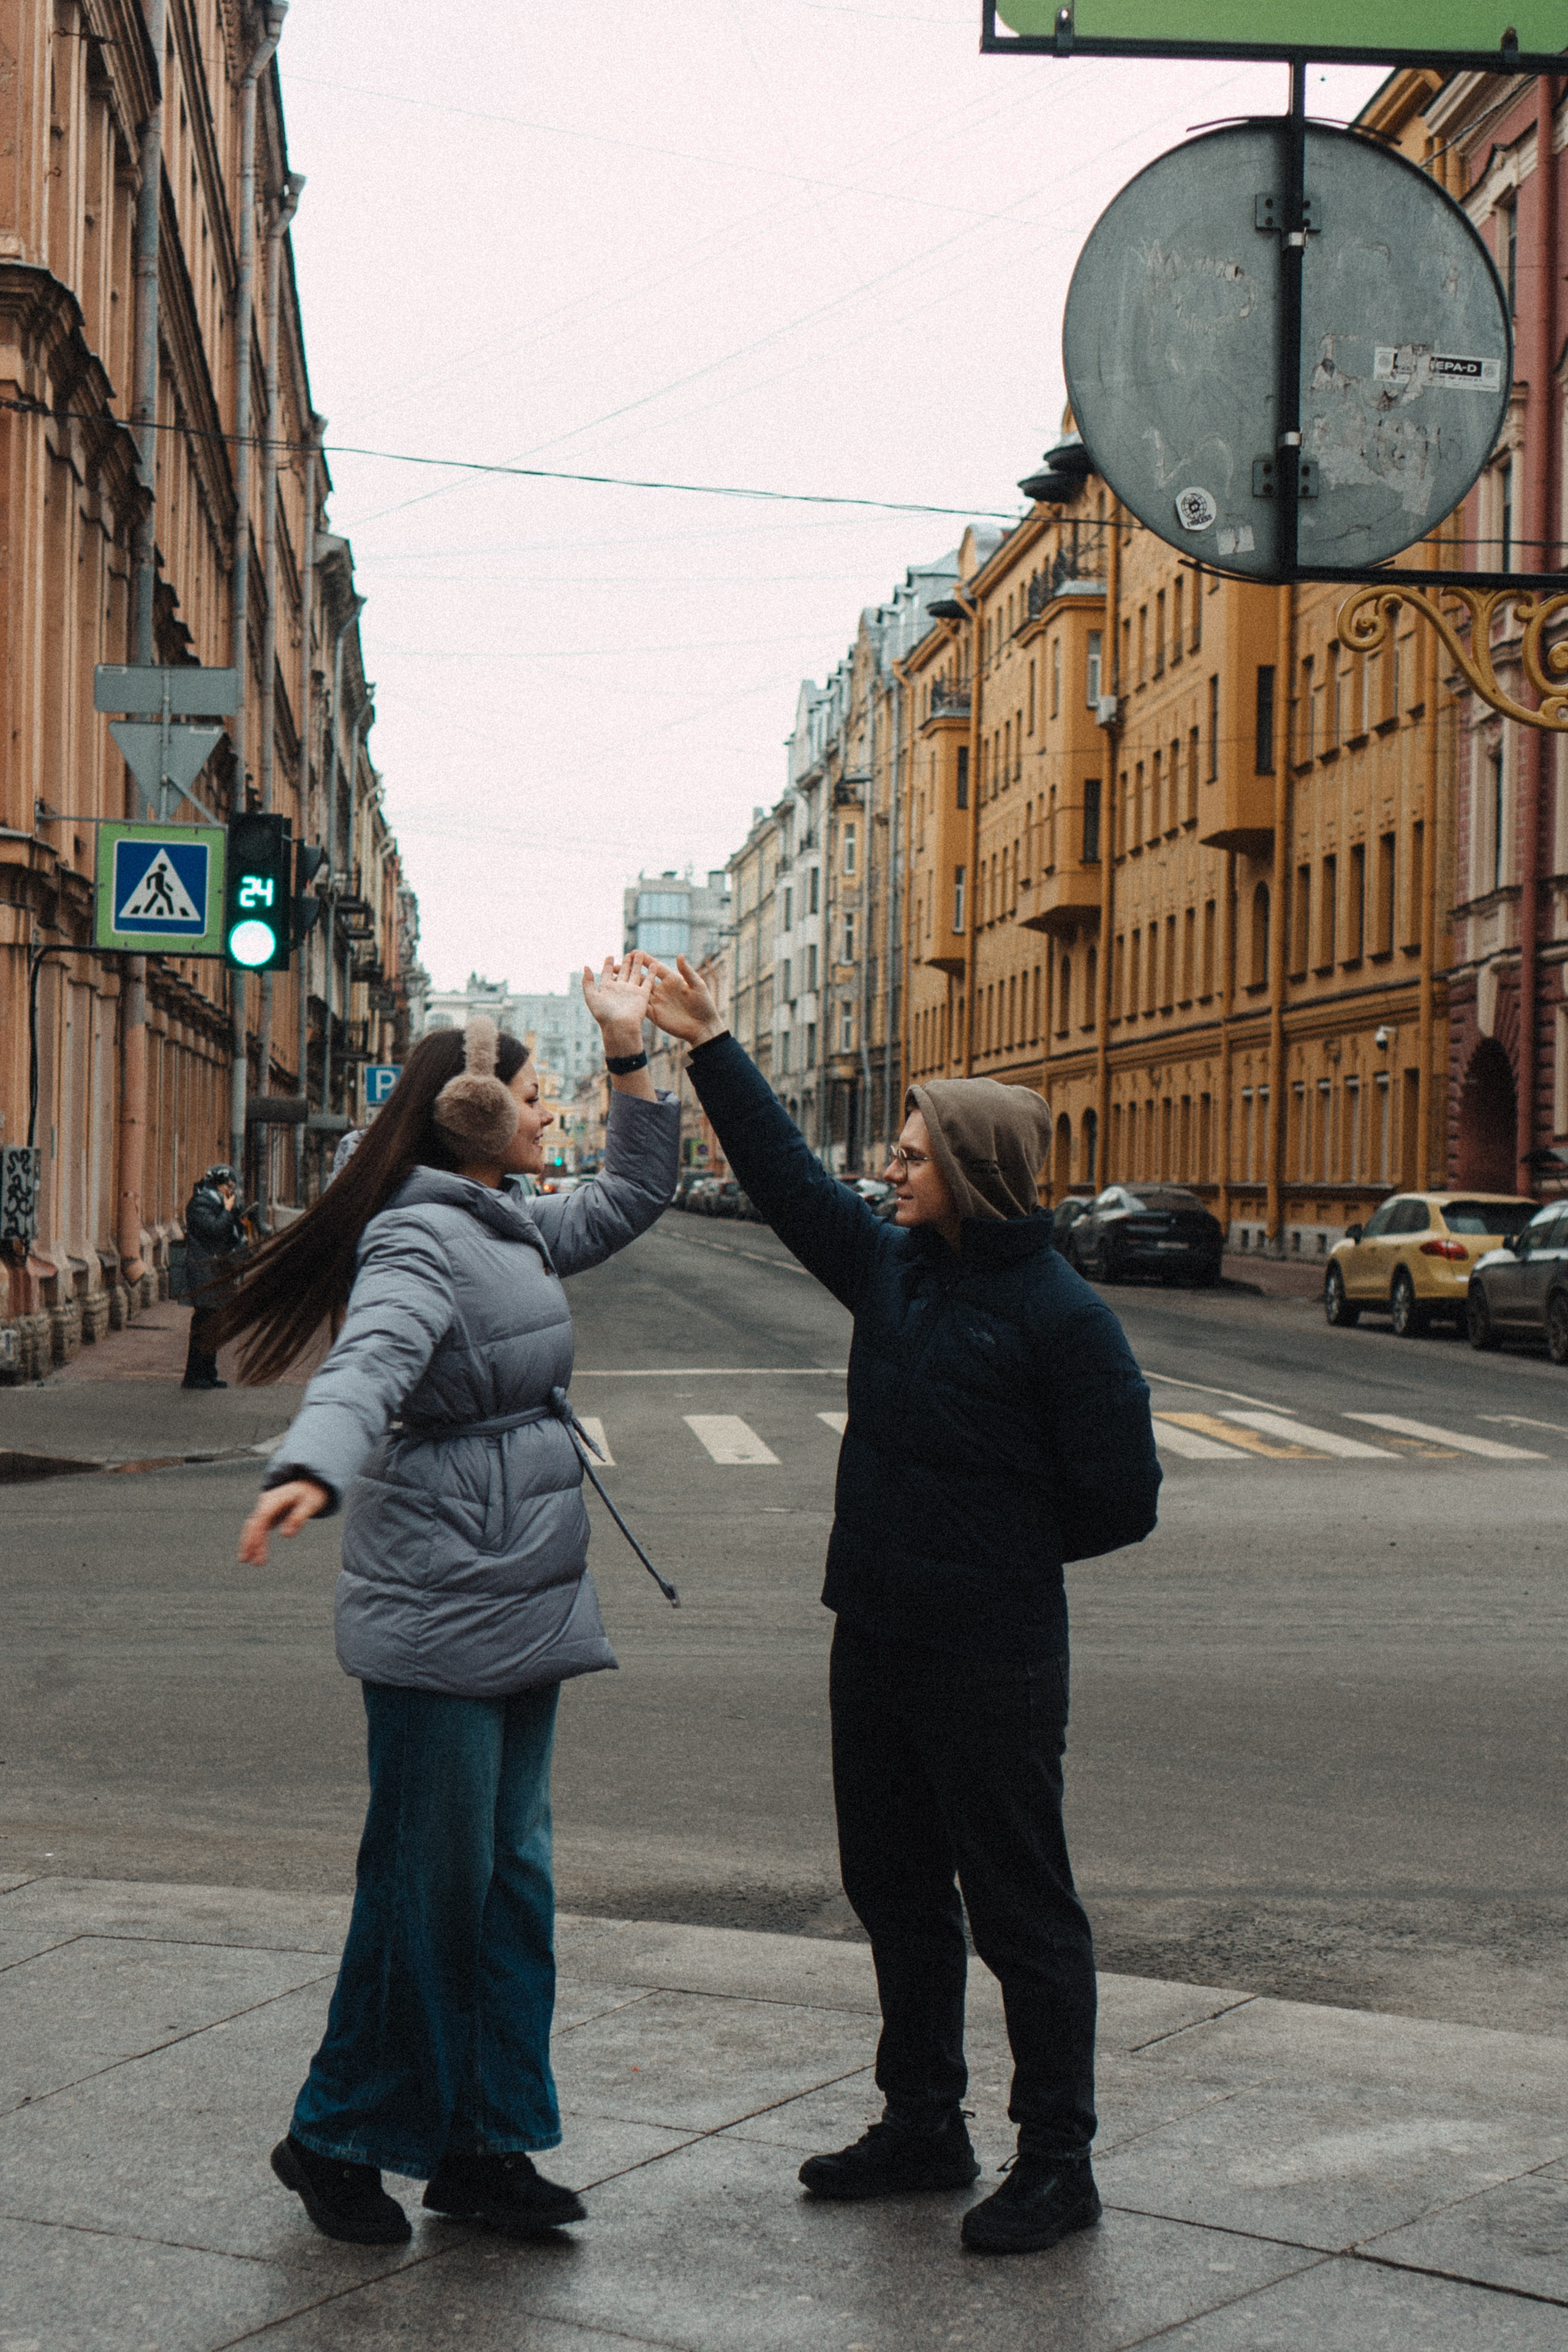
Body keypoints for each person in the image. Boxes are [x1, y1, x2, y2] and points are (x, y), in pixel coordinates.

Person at [646, 955, 1161, 2257]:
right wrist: (709, 1046)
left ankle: (1059, 2160)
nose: (893, 1167)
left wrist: (983, 1550)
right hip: (871, 1633)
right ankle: (923, 2123)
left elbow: (1121, 1500)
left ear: (974, 1171)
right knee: (893, 1889)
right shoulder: (895, 1274)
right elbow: (786, 1182)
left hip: (990, 1651)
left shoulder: (1063, 1319)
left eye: (917, 1154)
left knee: (1020, 1911)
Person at [216, 956, 679, 2247]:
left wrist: (631, 1050)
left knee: (507, 1881)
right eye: (538, 1097)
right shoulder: (422, 1236)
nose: (552, 1115)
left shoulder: (511, 1225)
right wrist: (312, 1461)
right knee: (426, 1885)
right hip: (439, 1608)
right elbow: (368, 1362)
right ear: (474, 1114)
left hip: (520, 1598)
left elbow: (641, 1185)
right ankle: (336, 2136)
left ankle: (482, 2144)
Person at [181, 1164, 246, 1390]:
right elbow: (213, 1230)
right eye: (229, 1188)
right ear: (218, 1185)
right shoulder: (200, 1204)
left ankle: (209, 1373)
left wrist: (237, 1215)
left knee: (214, 1323)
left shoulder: (215, 1204)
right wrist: (227, 1212)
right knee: (204, 1322)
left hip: (216, 1270)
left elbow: (229, 1234)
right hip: (203, 1270)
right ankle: (194, 1376)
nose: (231, 1193)